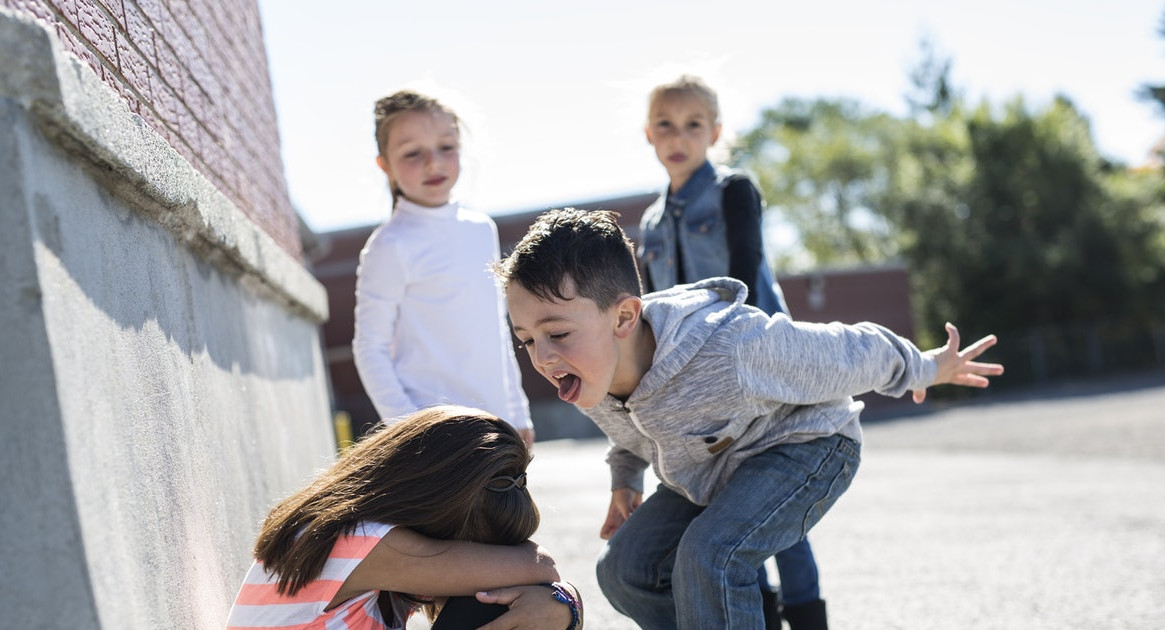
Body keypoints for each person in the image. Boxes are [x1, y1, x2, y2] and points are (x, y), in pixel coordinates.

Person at [495, 209, 1003, 630]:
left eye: (556, 333)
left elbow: (851, 350)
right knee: (624, 570)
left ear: (624, 318)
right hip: (712, 468)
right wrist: (624, 481)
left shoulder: (731, 348)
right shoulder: (594, 376)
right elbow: (631, 434)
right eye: (526, 339)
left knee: (709, 556)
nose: (541, 357)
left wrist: (927, 367)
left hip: (807, 447)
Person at [637, 74, 818, 628]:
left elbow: (745, 266)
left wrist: (734, 339)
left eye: (693, 124)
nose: (679, 136)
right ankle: (755, 616)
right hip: (696, 383)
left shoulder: (734, 190)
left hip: (760, 367)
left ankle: (811, 617)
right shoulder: (649, 222)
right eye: (666, 124)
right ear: (648, 134)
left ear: (714, 132)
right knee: (729, 508)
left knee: (778, 506)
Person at [226, 405, 583, 629]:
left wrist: (564, 606)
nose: (476, 562)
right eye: (471, 549)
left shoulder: (351, 536)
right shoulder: (360, 541)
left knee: (518, 600)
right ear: (435, 510)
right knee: (503, 599)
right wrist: (566, 603)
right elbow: (542, 568)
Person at [353, 89, 534, 445]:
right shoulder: (390, 245)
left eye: (446, 147)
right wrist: (408, 429)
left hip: (497, 426)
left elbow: (497, 330)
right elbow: (369, 347)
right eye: (412, 153)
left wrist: (517, 412)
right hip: (435, 437)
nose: (433, 163)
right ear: (385, 165)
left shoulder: (482, 229)